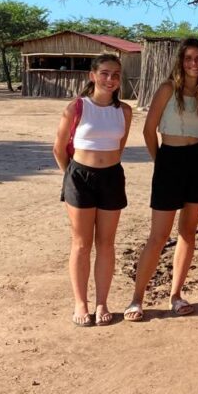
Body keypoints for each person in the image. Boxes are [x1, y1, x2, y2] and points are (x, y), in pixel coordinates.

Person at [124, 39, 198, 321]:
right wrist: (161, 162)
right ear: (181, 60)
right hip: (170, 159)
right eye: (189, 58)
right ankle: (137, 299)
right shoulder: (167, 89)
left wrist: (195, 149)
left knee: (188, 233)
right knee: (159, 235)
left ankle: (176, 295)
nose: (194, 63)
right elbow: (148, 130)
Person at [52, 54, 133, 327]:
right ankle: (81, 303)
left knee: (107, 243)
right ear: (93, 75)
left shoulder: (124, 111)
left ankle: (102, 302)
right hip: (79, 177)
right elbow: (59, 148)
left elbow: (119, 147)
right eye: (105, 73)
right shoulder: (77, 107)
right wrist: (71, 176)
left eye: (116, 75)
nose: (110, 79)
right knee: (82, 243)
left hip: (111, 177)